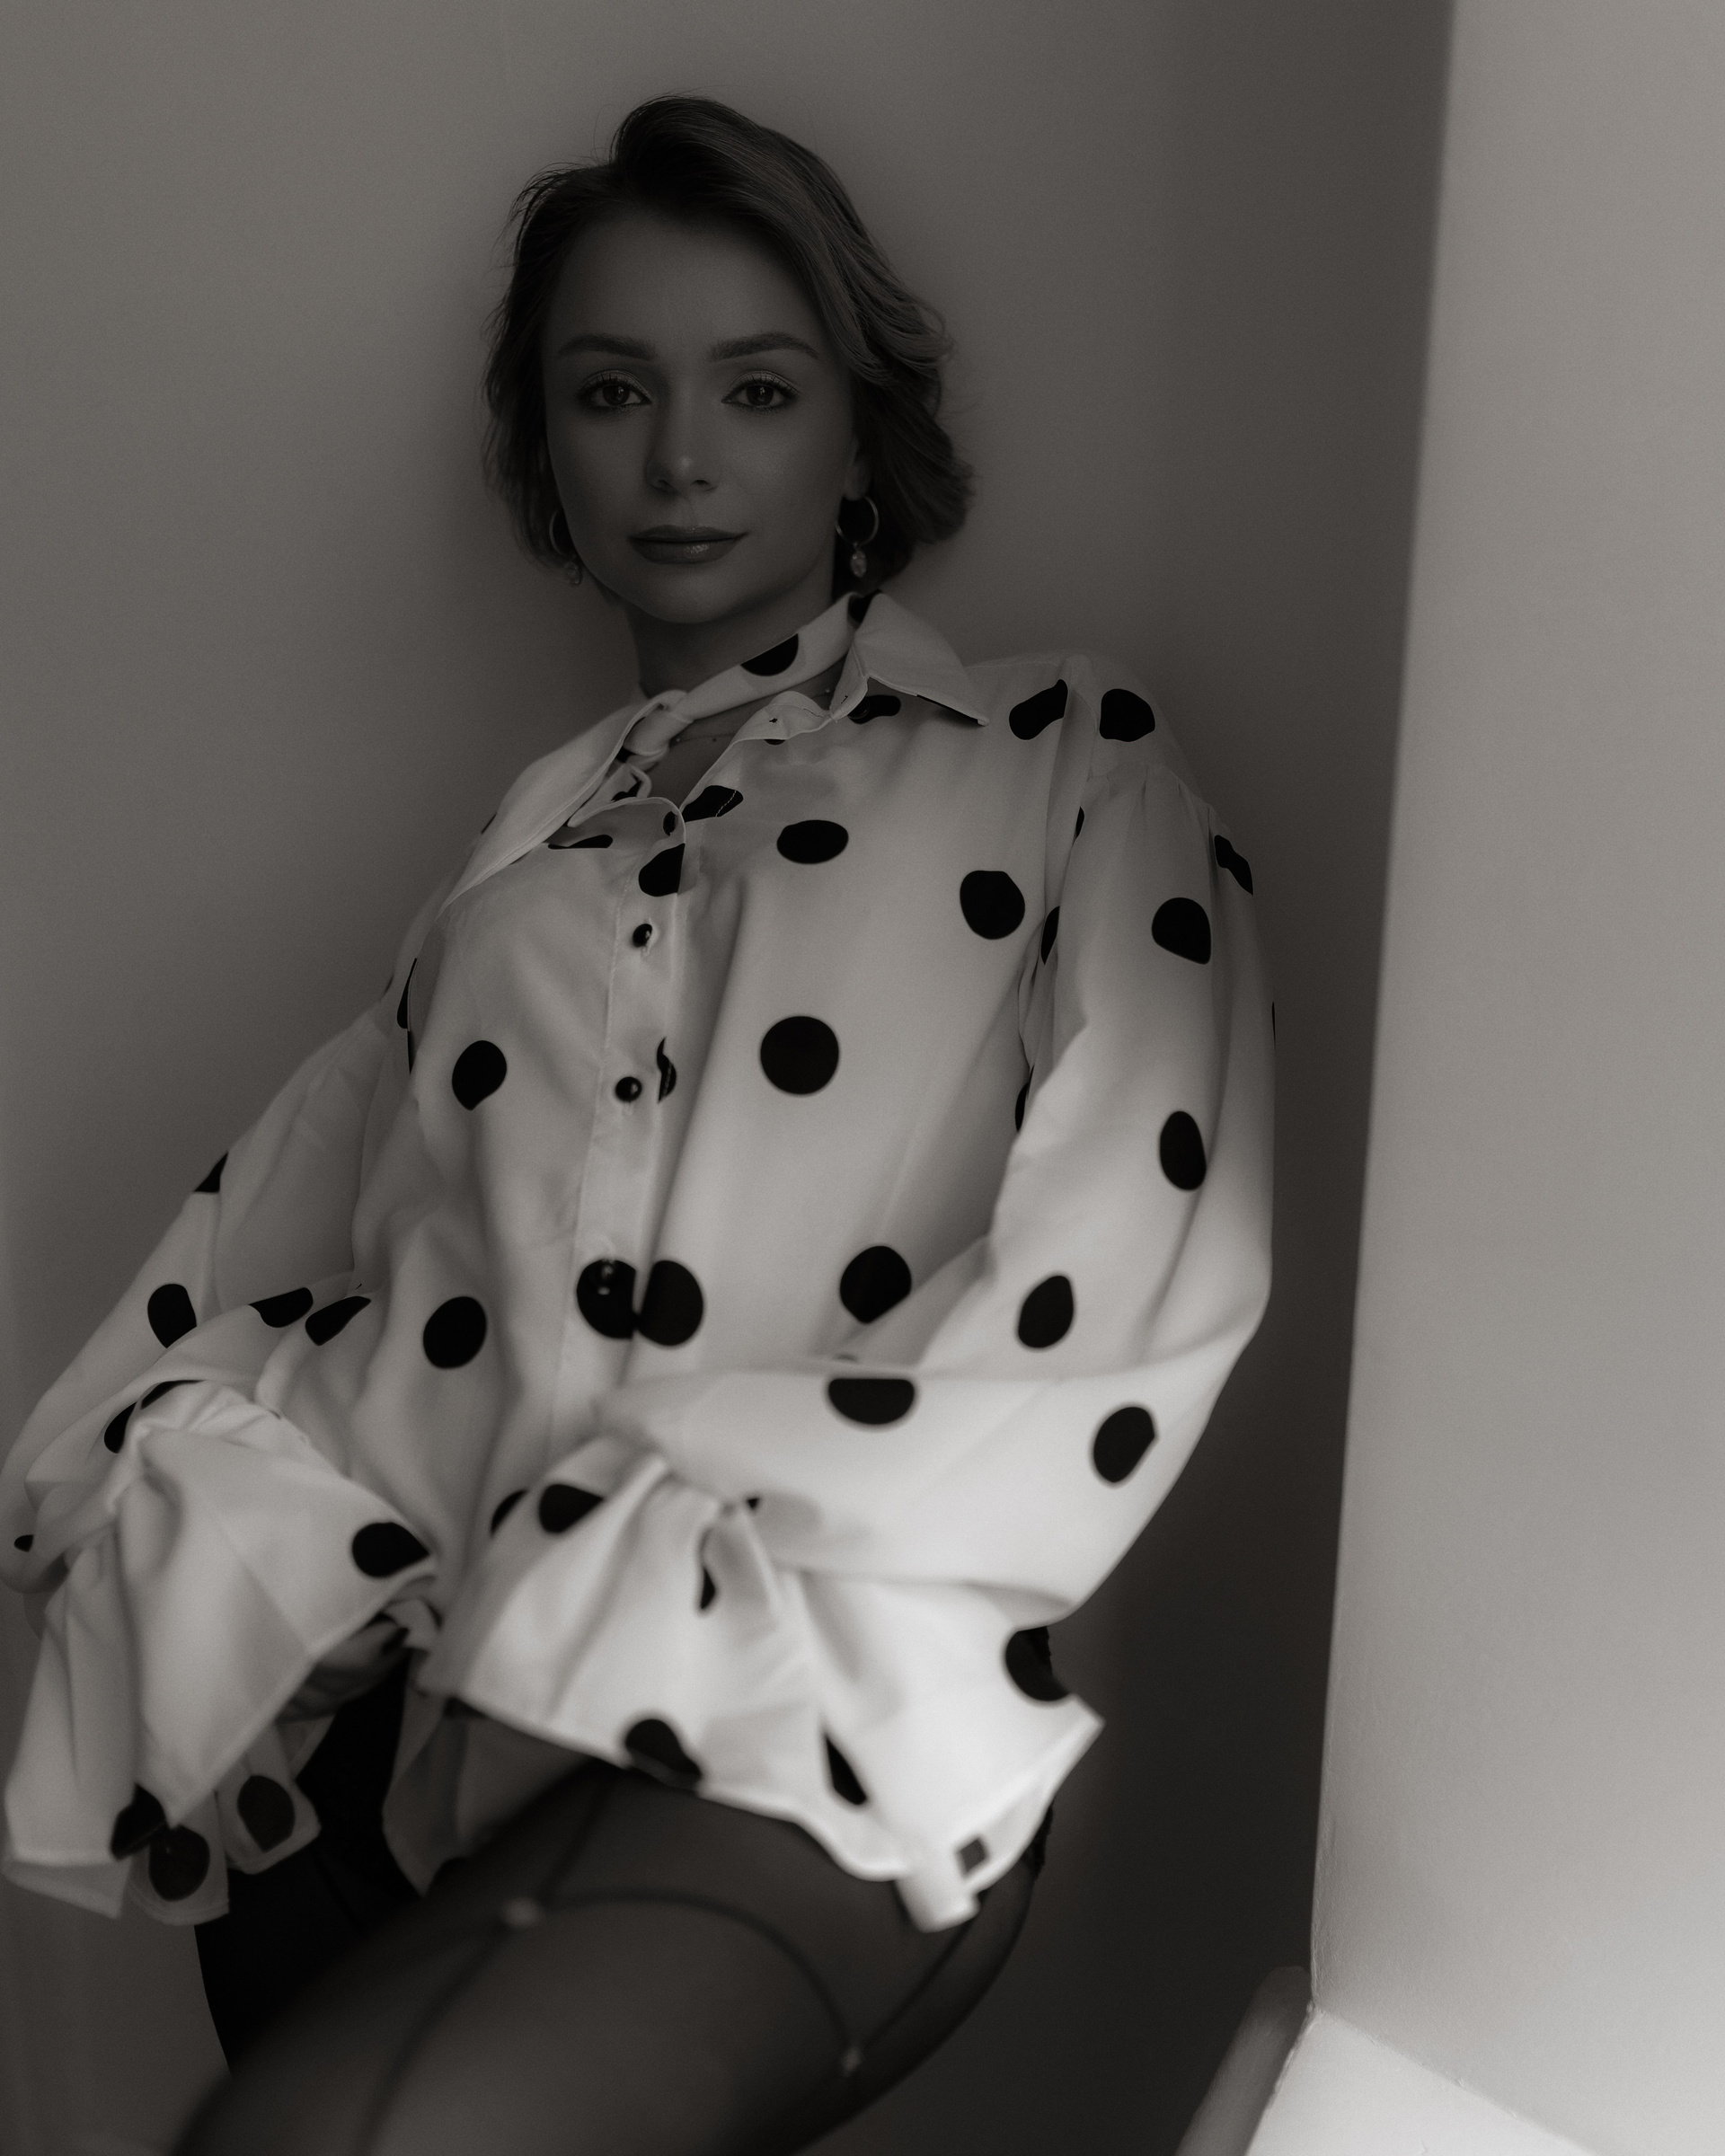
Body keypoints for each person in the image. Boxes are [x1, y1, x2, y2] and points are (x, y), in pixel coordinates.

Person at [0, 94, 1273, 2156]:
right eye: (612, 392)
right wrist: (253, 1537)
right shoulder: (507, 882)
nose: (680, 457)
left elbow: (1129, 1286)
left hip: (802, 1694)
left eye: (756, 389)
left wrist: (701, 1527)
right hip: (381, 1751)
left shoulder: (1059, 764)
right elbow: (276, 1273)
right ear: (550, 447)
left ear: (857, 435)